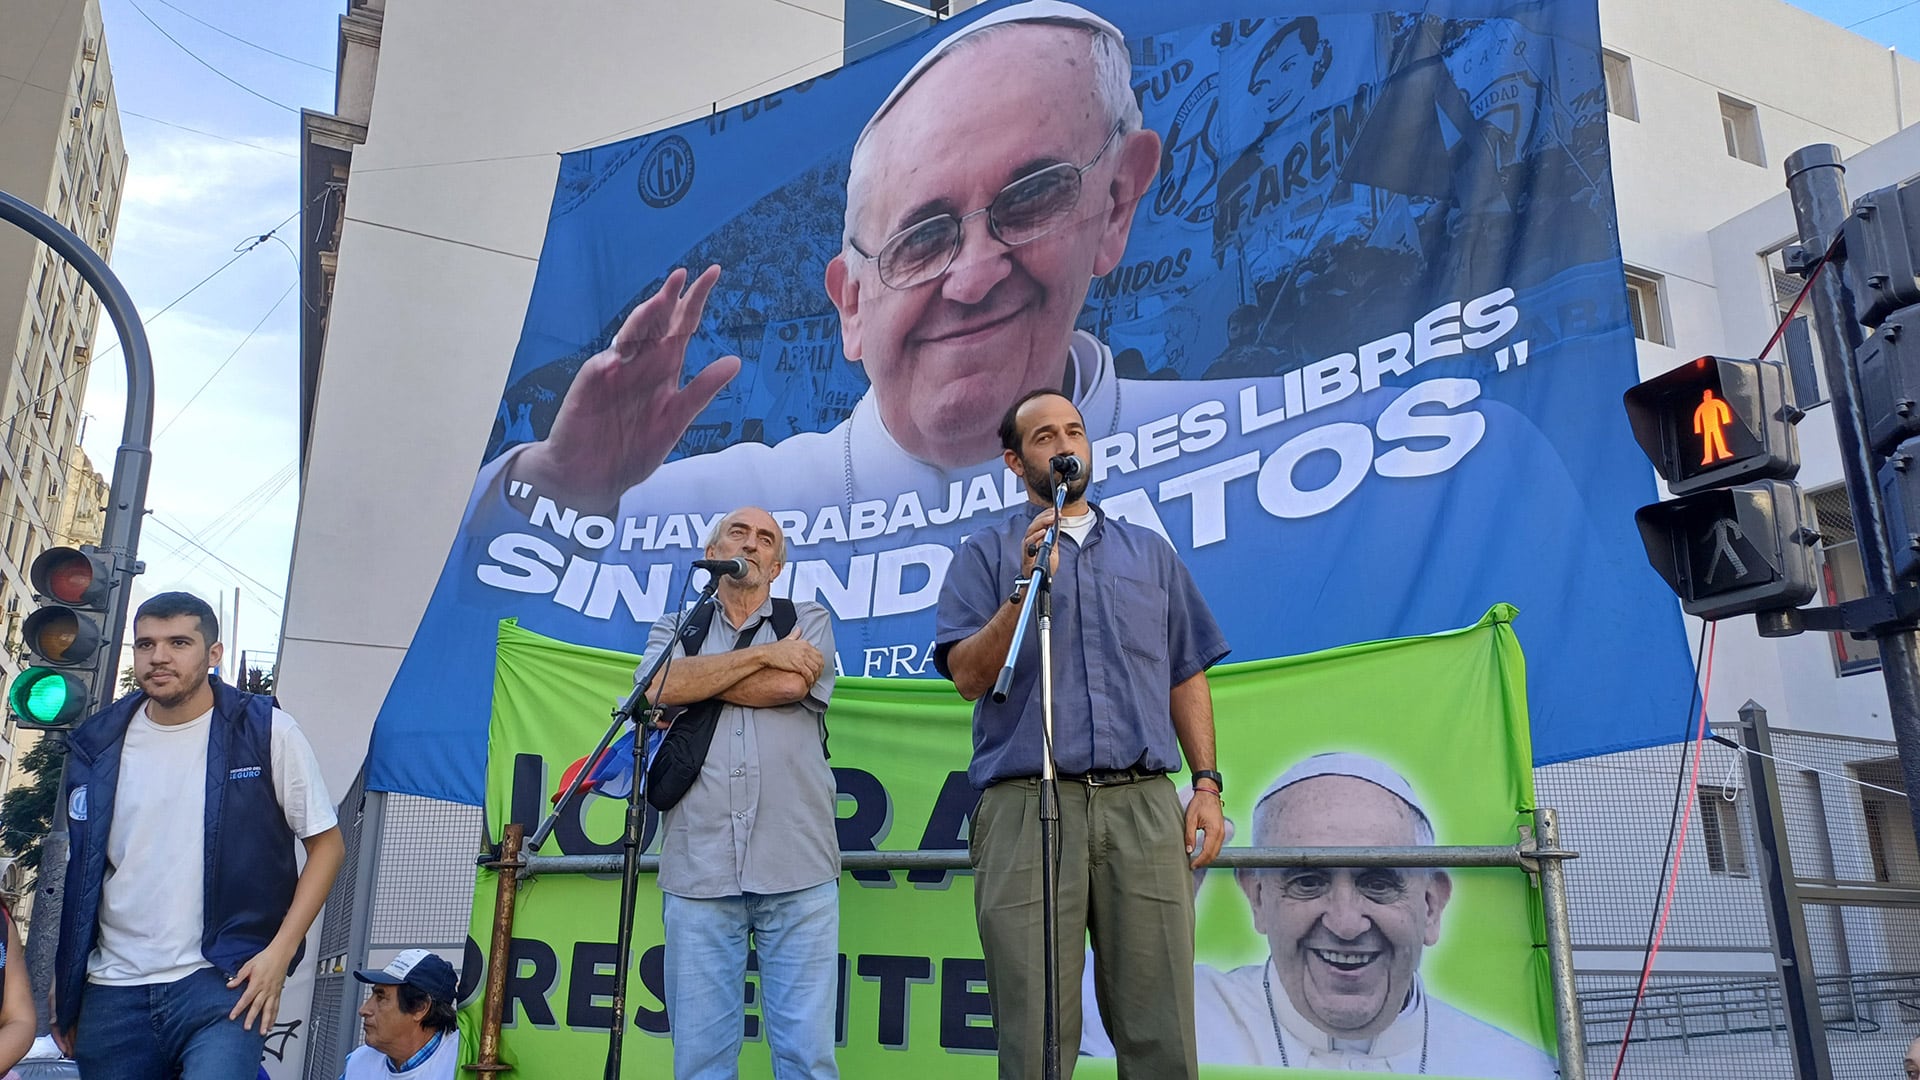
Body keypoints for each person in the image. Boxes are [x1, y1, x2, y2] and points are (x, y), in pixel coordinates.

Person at [464, 1, 1186, 531]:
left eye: (1031, 198)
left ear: (1117, 202)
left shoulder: (1247, 442)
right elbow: (487, 626)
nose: (971, 278)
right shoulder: (710, 512)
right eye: (921, 240)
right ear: (851, 306)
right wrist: (565, 483)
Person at [934, 390, 1230, 1079]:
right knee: (1035, 1034)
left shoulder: (1148, 553)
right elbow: (969, 676)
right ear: (1014, 460)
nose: (1064, 444)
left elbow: (1185, 673)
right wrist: (1023, 588)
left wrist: (1207, 784)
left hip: (1144, 805)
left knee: (1161, 1032)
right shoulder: (985, 553)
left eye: (1073, 431)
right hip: (1025, 804)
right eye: (1043, 437)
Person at [1080, 752, 1554, 1076]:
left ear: (1430, 905)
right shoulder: (1183, 1013)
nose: (1346, 924)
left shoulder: (1510, 1066)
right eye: (1308, 881)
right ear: (1258, 897)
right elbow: (1041, 1005)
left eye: (1377, 880)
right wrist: (1149, 894)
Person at [51, 591, 345, 1080]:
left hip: (221, 978)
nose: (159, 656)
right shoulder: (98, 743)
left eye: (178, 642)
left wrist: (278, 954)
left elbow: (327, 845)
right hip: (111, 988)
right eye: (146, 644)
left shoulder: (265, 729)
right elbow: (83, 870)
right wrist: (69, 973)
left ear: (213, 654)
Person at [638, 507, 839, 1078]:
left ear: (776, 566)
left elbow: (789, 684)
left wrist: (701, 682)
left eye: (765, 539)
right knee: (700, 1062)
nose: (750, 544)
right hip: (699, 870)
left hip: (797, 868)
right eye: (738, 532)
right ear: (713, 552)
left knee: (806, 1059)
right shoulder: (677, 626)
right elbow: (657, 686)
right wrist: (763, 653)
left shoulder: (808, 617)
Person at [340, 950, 460, 1079]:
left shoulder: (462, 1065)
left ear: (420, 1008)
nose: (363, 1010)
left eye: (381, 997)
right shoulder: (359, 1062)